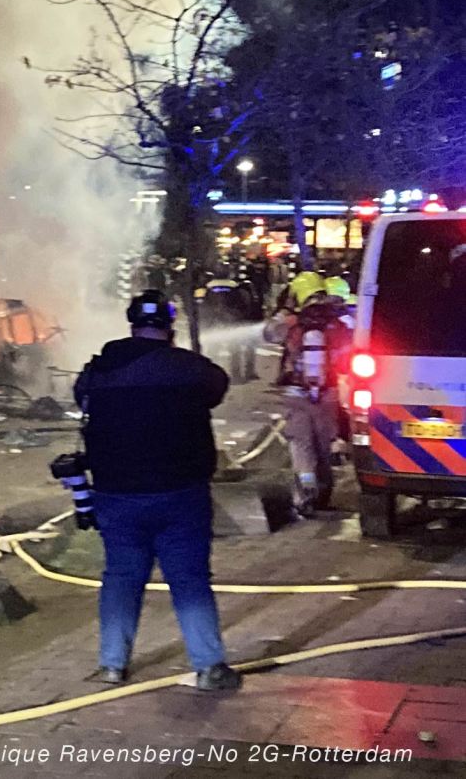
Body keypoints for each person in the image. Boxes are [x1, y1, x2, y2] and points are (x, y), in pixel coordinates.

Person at [73, 290, 241, 692]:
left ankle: (112, 665)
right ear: (170, 326)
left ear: (132, 324)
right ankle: (209, 667)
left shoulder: (99, 369)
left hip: (116, 494)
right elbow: (218, 386)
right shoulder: (189, 368)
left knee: (121, 577)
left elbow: (83, 401)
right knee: (190, 580)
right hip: (180, 494)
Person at [263, 272, 353, 517]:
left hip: (295, 394)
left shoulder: (292, 322)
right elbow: (347, 355)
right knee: (323, 448)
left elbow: (269, 334)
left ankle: (304, 495)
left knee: (301, 446)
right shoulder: (336, 322)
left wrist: (283, 312)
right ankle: (323, 495)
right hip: (328, 395)